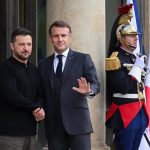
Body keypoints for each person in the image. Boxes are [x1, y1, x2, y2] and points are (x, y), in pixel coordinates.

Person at [38, 20, 100, 150]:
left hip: (78, 124)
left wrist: (88, 91)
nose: (60, 39)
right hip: (53, 127)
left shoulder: (83, 59)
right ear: (51, 38)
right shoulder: (43, 64)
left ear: (70, 37)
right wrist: (39, 107)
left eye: (63, 35)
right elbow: (41, 93)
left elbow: (96, 84)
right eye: (56, 36)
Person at [105, 4, 149, 150]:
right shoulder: (115, 59)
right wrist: (137, 67)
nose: (135, 39)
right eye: (131, 35)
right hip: (126, 113)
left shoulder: (135, 58)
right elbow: (122, 87)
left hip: (141, 111)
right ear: (121, 38)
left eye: (136, 35)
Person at [0, 27, 45, 150]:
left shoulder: (34, 70)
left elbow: (40, 94)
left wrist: (40, 108)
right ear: (12, 46)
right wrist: (35, 107)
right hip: (9, 134)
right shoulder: (5, 68)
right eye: (21, 44)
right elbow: (12, 95)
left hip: (31, 133)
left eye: (29, 44)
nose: (26, 48)